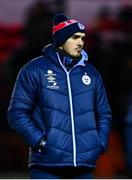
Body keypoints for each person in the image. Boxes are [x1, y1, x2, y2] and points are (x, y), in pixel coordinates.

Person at [7, 13, 112, 179]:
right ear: (61, 39)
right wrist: (40, 141)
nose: (81, 42)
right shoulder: (35, 70)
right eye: (75, 37)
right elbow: (16, 113)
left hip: (84, 167)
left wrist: (99, 142)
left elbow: (104, 113)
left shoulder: (92, 74)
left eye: (83, 38)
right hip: (46, 166)